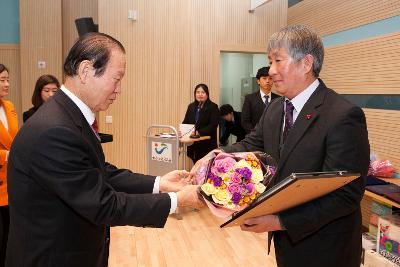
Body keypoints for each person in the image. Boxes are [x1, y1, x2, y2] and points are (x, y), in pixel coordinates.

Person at [6, 33, 203, 267]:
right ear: (86, 71)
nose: (118, 90)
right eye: (116, 78)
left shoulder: (68, 116)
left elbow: (100, 173)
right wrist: (176, 200)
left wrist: (160, 183)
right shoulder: (54, 129)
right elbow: (103, 205)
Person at [221, 25, 370, 267]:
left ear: (306, 63)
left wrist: (280, 221)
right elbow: (251, 143)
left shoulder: (343, 115)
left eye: (278, 60)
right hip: (288, 247)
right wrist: (215, 155)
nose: (271, 70)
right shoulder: (276, 108)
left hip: (326, 249)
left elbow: (346, 195)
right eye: (270, 61)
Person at [0, 64, 18, 266]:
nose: (7, 84)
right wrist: (6, 155)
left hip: (11, 182)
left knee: (10, 238)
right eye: (2, 80)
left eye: (7, 79)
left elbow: (15, 138)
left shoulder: (9, 106)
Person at [182, 83, 219, 163]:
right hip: (193, 143)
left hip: (207, 144)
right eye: (197, 92)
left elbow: (213, 125)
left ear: (207, 94)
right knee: (196, 164)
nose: (200, 94)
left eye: (203, 92)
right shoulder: (191, 106)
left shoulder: (213, 107)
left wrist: (199, 132)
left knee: (205, 168)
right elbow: (186, 122)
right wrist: (182, 130)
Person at [241, 66, 279, 134]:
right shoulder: (249, 99)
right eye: (264, 78)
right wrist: (255, 134)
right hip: (255, 138)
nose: (267, 81)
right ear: (258, 81)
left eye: (270, 78)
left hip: (274, 138)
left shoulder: (279, 99)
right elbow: (245, 121)